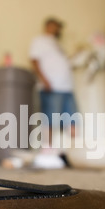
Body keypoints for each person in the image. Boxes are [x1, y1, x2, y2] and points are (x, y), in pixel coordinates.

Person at [29, 17, 79, 150]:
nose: (58, 29)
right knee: (49, 120)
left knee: (73, 119)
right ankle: (47, 150)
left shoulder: (57, 45)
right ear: (48, 26)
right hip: (52, 87)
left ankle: (75, 152)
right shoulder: (39, 41)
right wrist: (44, 80)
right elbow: (34, 60)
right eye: (56, 26)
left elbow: (62, 63)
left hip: (67, 87)